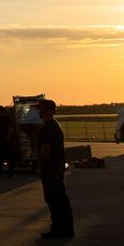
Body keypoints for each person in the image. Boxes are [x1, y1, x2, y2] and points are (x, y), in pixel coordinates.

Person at [35, 99, 74, 238]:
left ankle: (60, 229)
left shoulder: (48, 128)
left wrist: (39, 166)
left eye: (40, 109)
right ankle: (65, 228)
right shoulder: (54, 125)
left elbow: (45, 150)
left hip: (51, 169)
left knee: (54, 199)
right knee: (59, 198)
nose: (38, 111)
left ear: (47, 110)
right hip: (56, 168)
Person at [0, 105, 17, 176]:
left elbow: (11, 128)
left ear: (2, 111)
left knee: (8, 156)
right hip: (0, 139)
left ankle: (10, 171)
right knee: (0, 156)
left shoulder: (7, 118)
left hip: (6, 140)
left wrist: (8, 136)